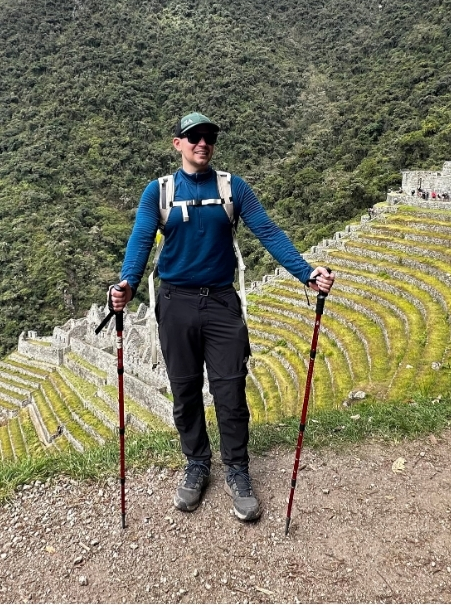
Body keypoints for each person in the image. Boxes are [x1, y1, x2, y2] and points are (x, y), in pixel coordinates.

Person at [110, 112, 335, 523]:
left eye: (209, 137)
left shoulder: (233, 188)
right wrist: (126, 284)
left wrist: (307, 273)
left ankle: (237, 469)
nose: (202, 143)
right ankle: (197, 463)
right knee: (185, 391)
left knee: (230, 392)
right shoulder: (158, 192)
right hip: (175, 303)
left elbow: (268, 232)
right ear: (176, 142)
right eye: (193, 136)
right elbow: (141, 240)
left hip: (221, 302)